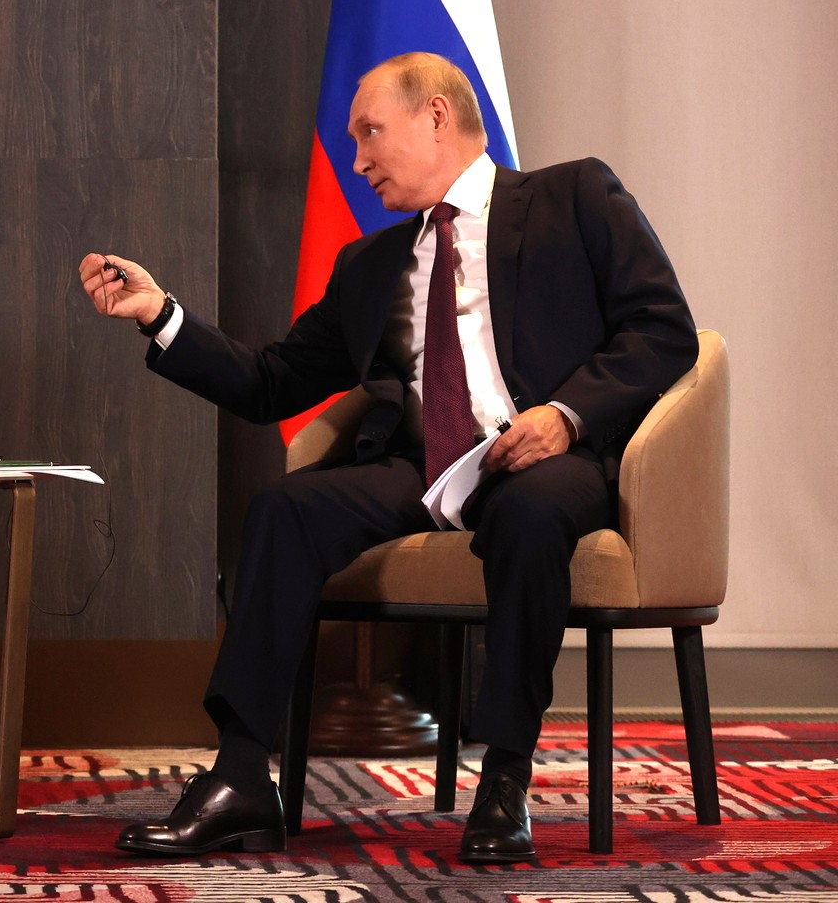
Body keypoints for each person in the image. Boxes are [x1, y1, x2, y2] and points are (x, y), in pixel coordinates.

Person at [79, 52, 695, 864]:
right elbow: (271, 382)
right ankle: (239, 778)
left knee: (530, 514)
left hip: (549, 456)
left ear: (436, 116)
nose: (358, 160)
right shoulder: (371, 265)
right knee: (284, 509)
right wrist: (160, 314)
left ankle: (504, 779)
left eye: (370, 133)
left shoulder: (572, 197)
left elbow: (663, 329)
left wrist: (566, 416)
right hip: (425, 466)